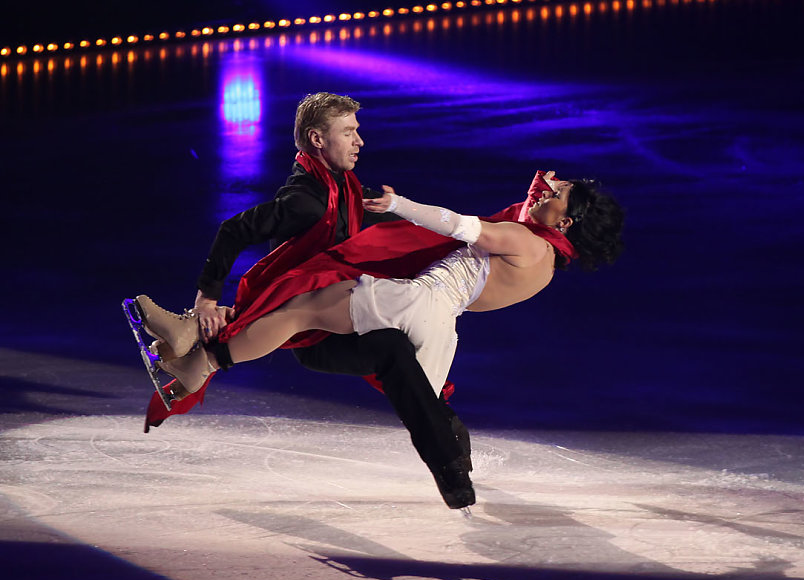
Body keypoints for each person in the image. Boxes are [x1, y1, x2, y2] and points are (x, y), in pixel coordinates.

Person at [136, 177, 625, 509]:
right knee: (343, 349)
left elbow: (461, 226)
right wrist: (542, 197)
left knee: (301, 307)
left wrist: (398, 206)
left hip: (416, 303)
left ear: (566, 223)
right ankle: (455, 467)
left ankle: (203, 363)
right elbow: (482, 275)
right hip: (439, 327)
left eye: (555, 194)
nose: (544, 192)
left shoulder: (527, 241)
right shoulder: (545, 267)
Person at [147, 91, 473, 508]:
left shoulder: (346, 188)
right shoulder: (306, 200)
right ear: (318, 139)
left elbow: (396, 225)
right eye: (349, 132)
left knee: (396, 347)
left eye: (358, 131)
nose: (360, 141)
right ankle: (198, 343)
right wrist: (208, 296)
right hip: (312, 335)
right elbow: (233, 230)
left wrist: (472, 231)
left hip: (335, 313)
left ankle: (447, 450)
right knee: (395, 347)